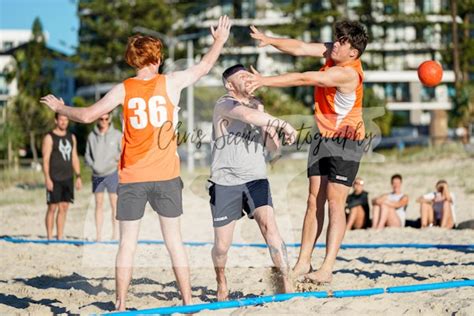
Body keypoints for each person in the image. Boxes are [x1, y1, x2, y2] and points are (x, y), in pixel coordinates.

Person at [40, 15, 232, 311]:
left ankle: (119, 303)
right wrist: (218, 40)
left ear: (134, 60)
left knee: (127, 244)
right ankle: (188, 300)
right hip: (166, 175)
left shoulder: (124, 88)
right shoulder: (171, 82)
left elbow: (89, 115)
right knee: (174, 242)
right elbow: (204, 66)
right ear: (156, 59)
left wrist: (60, 107)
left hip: (131, 175)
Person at [247, 20, 369, 284]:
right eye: (336, 39)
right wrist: (270, 40)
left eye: (342, 42)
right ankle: (304, 262)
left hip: (346, 142)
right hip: (323, 137)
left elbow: (305, 78)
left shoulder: (347, 73)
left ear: (353, 53)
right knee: (314, 200)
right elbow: (300, 47)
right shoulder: (333, 54)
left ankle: (326, 268)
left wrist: (263, 80)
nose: (335, 43)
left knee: (336, 204)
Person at [209, 64, 296, 300]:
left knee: (271, 230)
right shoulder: (224, 104)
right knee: (222, 247)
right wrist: (282, 123)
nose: (248, 80)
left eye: (249, 76)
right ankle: (221, 280)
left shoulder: (258, 107)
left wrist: (270, 127)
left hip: (256, 179)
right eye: (242, 77)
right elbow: (246, 116)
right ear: (230, 84)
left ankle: (287, 285)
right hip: (225, 182)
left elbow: (273, 149)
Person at [41, 113, 82, 240]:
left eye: (66, 120)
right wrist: (47, 178)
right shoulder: (49, 137)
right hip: (54, 178)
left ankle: (59, 236)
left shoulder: (71, 137)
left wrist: (78, 176)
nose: (64, 122)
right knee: (52, 207)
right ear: (56, 120)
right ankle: (49, 237)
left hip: (68, 178)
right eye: (61, 119)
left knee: (64, 208)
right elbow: (45, 160)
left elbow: (74, 157)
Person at [85, 112, 122, 241]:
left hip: (112, 173)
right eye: (101, 119)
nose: (104, 121)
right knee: (98, 204)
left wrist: (116, 161)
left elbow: (123, 152)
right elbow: (87, 155)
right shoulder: (91, 136)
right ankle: (99, 235)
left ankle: (115, 235)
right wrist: (93, 165)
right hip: (97, 175)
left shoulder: (117, 135)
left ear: (110, 118)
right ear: (98, 119)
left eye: (106, 118)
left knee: (114, 205)